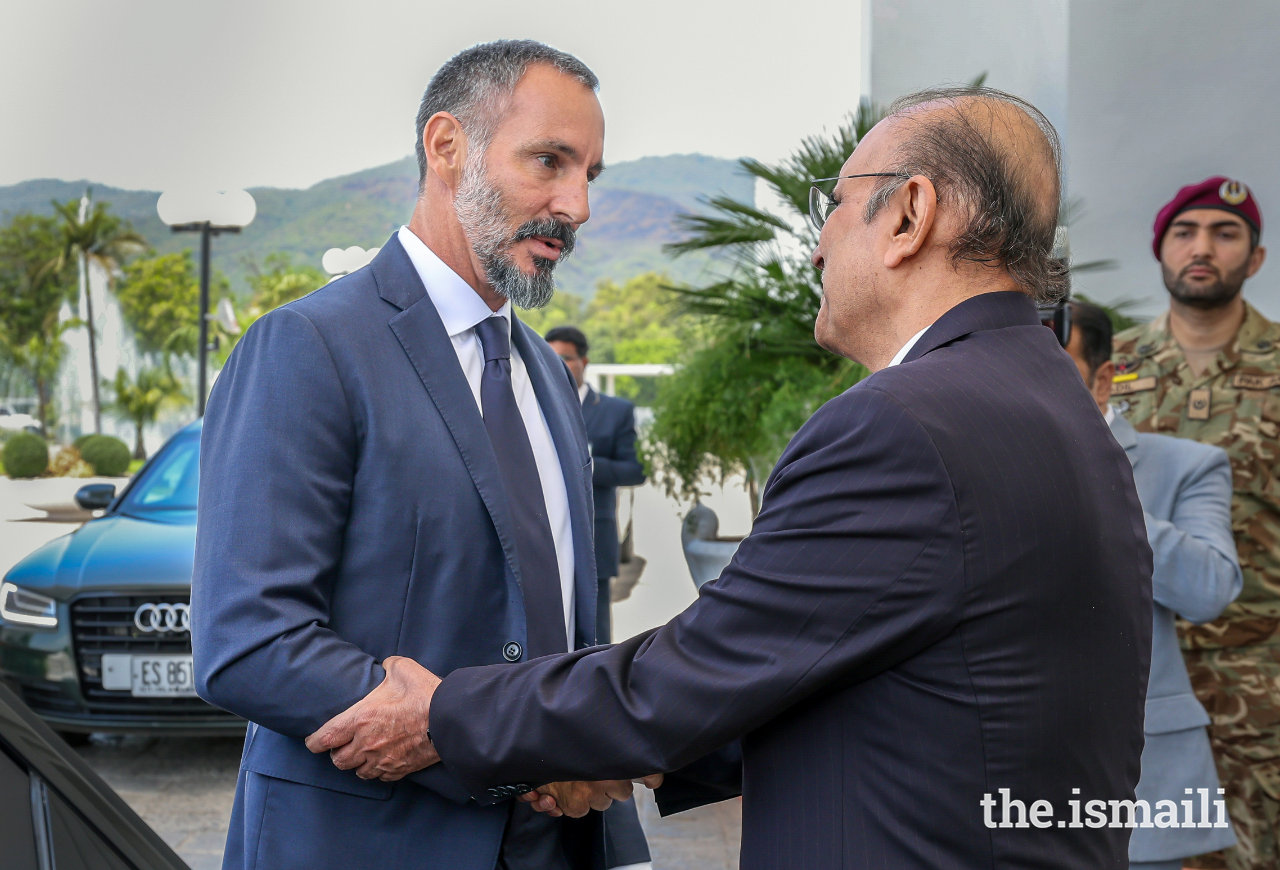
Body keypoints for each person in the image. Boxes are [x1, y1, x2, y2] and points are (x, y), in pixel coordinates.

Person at [308, 87, 1155, 869]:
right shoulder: (1055, 402)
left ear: (910, 214)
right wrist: (608, 758)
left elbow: (691, 674)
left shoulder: (901, 425)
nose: (817, 241)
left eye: (832, 204)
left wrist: (444, 714)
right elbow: (840, 665)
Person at [191, 40, 652, 870]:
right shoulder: (307, 346)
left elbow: (564, 630)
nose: (576, 204)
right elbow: (247, 639)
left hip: (561, 841)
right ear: (447, 147)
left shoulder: (545, 372)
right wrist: (483, 738)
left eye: (590, 173)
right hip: (367, 842)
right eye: (549, 160)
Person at [1110, 178, 1280, 870]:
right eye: (1185, 233)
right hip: (1137, 680)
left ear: (1256, 257)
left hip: (1262, 686)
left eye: (1225, 232)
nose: (1202, 247)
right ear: (1161, 250)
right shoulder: (1109, 366)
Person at [1067, 300, 1241, 870]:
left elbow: (1210, 587)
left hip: (1138, 794)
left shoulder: (1189, 465)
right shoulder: (979, 459)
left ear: (1103, 379)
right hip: (1001, 787)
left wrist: (1096, 483)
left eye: (1057, 370)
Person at [544, 325, 646, 644]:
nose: (558, 364)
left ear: (584, 362)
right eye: (550, 357)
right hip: (543, 538)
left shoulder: (617, 411)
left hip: (593, 536)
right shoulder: (531, 405)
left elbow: (636, 470)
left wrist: (583, 465)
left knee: (596, 634)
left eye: (566, 358)